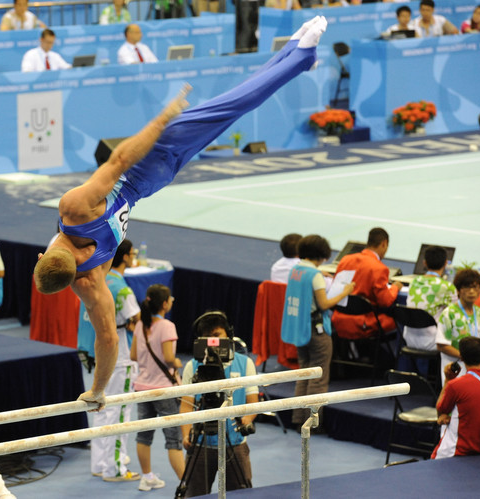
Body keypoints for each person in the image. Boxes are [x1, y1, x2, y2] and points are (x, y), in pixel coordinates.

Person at [34, 16, 327, 408]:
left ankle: (299, 56)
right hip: (149, 160)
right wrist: (162, 118)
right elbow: (119, 157)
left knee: (233, 109)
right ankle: (300, 54)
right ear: (44, 255)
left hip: (153, 181)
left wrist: (98, 390)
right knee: (233, 105)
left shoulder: (89, 283)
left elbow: (107, 340)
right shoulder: (73, 209)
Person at [179, 311, 258, 497]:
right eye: (206, 338)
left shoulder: (245, 364)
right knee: (194, 495)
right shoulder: (192, 366)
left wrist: (244, 422)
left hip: (235, 443)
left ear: (228, 335)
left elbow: (253, 402)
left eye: (216, 336)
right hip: (200, 443)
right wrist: (185, 433)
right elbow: (186, 405)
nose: (212, 342)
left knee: (241, 495)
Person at [281, 235, 355, 429]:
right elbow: (324, 303)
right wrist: (345, 292)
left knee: (304, 373)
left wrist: (319, 275)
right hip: (317, 331)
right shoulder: (315, 276)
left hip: (301, 330)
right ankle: (312, 422)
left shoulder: (296, 270)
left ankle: (298, 418)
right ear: (322, 255)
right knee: (318, 378)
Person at [88, 240, 141, 482]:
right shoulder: (122, 288)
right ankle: (115, 468)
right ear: (127, 257)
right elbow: (136, 320)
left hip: (101, 353)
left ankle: (100, 464)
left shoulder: (97, 281)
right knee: (120, 413)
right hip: (120, 355)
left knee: (100, 409)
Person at [130, 284, 184, 492]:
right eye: (170, 299)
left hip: (142, 388)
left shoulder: (140, 325)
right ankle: (187, 485)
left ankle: (147, 477)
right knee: (174, 439)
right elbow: (169, 358)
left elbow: (134, 355)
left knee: (144, 436)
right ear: (164, 304)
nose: (172, 301)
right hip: (164, 390)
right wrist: (177, 363)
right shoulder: (167, 326)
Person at [432, 337, 480, 459]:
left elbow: (440, 411)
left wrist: (448, 380)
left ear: (462, 358)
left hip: (455, 454)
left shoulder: (456, 385)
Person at [331, 227, 403, 340]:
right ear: (384, 244)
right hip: (363, 324)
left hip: (338, 320)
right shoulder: (379, 268)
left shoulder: (345, 260)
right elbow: (386, 301)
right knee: (399, 321)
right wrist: (395, 287)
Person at [436, 269, 480, 382]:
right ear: (459, 290)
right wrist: (465, 357)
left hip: (475, 368)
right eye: (467, 287)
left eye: (476, 287)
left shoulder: (479, 313)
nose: (472, 291)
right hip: (455, 366)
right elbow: (441, 345)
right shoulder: (448, 314)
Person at [402, 245, 457, 351]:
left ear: (424, 263)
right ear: (446, 263)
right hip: (433, 342)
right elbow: (455, 315)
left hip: (408, 339)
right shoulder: (447, 287)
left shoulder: (414, 282)